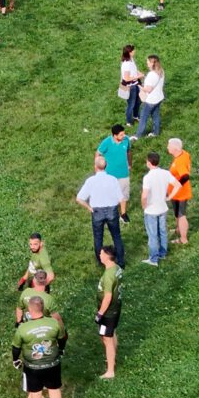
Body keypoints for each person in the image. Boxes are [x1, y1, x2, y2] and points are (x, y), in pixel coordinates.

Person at [12, 293, 67, 398]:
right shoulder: (54, 323)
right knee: (54, 389)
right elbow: (62, 338)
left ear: (30, 310)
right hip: (52, 363)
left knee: (36, 392)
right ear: (42, 308)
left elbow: (16, 347)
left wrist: (15, 360)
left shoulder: (23, 328)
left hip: (33, 366)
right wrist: (60, 350)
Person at [76, 153, 126, 264]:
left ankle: (101, 261)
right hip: (112, 211)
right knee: (116, 236)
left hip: (97, 211)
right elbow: (121, 199)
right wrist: (122, 212)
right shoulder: (113, 179)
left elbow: (79, 198)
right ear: (106, 166)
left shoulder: (90, 181)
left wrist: (89, 207)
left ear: (95, 166)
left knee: (98, 238)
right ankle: (121, 261)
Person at [138, 151, 177, 266]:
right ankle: (163, 253)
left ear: (149, 163)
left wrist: (144, 205)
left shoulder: (148, 177)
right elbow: (178, 185)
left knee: (153, 235)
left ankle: (153, 259)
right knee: (163, 231)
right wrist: (169, 197)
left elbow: (144, 195)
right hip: (162, 208)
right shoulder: (165, 173)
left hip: (151, 210)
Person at [95, 246, 124, 379]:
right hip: (116, 308)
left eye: (101, 253)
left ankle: (110, 370)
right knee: (111, 334)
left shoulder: (108, 275)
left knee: (106, 338)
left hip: (107, 312)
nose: (99, 255)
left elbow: (107, 297)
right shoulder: (117, 268)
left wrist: (100, 313)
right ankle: (112, 356)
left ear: (107, 256)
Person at [163, 136, 193, 245]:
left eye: (169, 146)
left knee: (181, 215)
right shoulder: (184, 154)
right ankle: (178, 229)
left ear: (175, 149)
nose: (167, 147)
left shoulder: (180, 162)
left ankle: (183, 239)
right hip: (176, 194)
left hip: (180, 194)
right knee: (177, 213)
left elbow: (185, 176)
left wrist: (177, 186)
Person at [136, 54, 166, 138]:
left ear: (152, 63)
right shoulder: (161, 71)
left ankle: (138, 135)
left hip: (151, 100)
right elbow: (153, 81)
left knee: (143, 117)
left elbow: (148, 89)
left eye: (148, 61)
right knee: (155, 115)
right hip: (159, 98)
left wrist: (139, 86)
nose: (147, 63)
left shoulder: (152, 75)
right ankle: (155, 132)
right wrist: (144, 76)